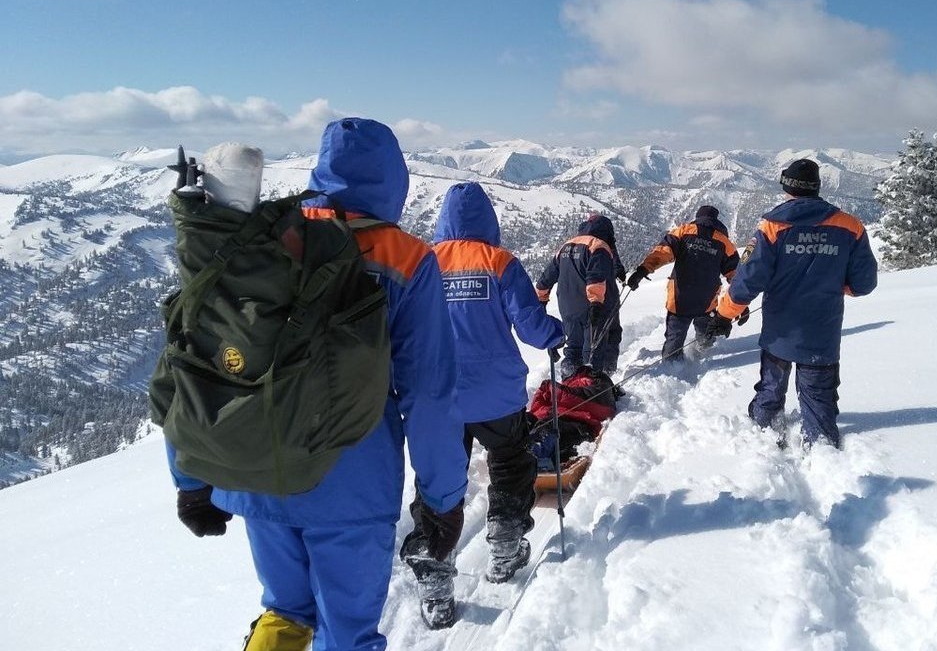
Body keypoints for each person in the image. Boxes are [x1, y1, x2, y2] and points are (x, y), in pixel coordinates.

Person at [164, 118, 469, 649]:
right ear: (394, 181)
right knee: (346, 634)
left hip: (259, 467)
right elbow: (428, 392)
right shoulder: (405, 257)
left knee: (284, 611)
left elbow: (194, 356)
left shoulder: (261, 237)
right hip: (350, 481)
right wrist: (442, 498)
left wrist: (191, 480)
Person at [424, 181, 564, 584]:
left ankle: (434, 562)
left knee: (439, 476)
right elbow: (532, 327)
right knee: (508, 461)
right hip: (495, 394)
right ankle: (505, 534)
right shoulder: (500, 262)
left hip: (439, 395)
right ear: (488, 218)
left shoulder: (424, 262)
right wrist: (556, 334)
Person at [709, 159, 878, 448]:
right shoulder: (850, 226)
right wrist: (836, 285)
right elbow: (865, 283)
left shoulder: (772, 226)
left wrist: (724, 315)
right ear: (817, 187)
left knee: (771, 389)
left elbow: (748, 281)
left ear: (787, 186)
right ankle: (820, 445)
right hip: (822, 331)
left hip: (780, 331)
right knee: (819, 395)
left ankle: (765, 428)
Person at [626, 205, 741, 362]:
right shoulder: (724, 242)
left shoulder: (682, 231)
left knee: (675, 338)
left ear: (698, 217)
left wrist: (643, 270)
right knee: (705, 334)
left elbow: (662, 252)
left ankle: (671, 366)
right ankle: (703, 356)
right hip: (707, 299)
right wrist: (740, 301)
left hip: (680, 297)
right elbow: (736, 274)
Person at [535, 213, 623, 376]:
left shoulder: (566, 246)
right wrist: (596, 303)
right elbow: (595, 276)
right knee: (594, 350)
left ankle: (569, 384)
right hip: (593, 308)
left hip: (568, 308)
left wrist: (541, 299)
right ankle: (598, 384)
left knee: (574, 347)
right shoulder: (598, 246)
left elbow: (546, 278)